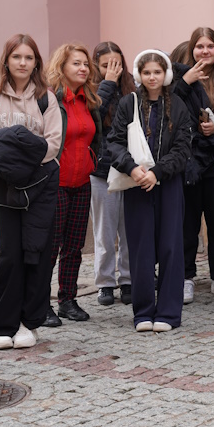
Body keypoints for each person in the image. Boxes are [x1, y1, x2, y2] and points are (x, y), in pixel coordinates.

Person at [0, 34, 63, 350]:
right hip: (5, 187)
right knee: (9, 255)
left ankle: (28, 322)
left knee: (35, 253)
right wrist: (7, 167)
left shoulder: (46, 98)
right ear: (7, 60)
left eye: (28, 57)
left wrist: (18, 158)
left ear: (36, 62)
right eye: (17, 57)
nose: (23, 63)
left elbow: (52, 144)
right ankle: (2, 325)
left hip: (40, 187)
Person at [108, 50, 191, 333]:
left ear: (165, 74)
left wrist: (157, 172)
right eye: (146, 73)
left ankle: (168, 313)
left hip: (168, 185)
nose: (152, 77)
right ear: (138, 75)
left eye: (157, 72)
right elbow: (115, 143)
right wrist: (132, 168)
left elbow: (182, 150)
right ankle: (142, 312)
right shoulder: (126, 104)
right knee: (140, 249)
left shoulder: (178, 105)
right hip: (136, 184)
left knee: (170, 247)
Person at [43, 43, 103, 326]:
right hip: (55, 182)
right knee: (50, 245)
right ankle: (41, 304)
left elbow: (96, 137)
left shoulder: (88, 99)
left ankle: (67, 299)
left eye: (85, 64)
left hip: (82, 182)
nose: (83, 69)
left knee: (74, 245)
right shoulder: (51, 101)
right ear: (61, 67)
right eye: (76, 64)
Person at [173, 27, 214, 304]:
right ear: (191, 50)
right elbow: (170, 106)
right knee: (188, 222)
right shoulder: (178, 78)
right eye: (200, 46)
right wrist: (186, 80)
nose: (205, 51)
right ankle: (186, 277)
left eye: (210, 46)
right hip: (187, 160)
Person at [90, 42, 136, 307]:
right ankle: (105, 283)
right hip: (101, 170)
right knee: (105, 232)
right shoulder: (94, 90)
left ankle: (128, 279)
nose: (113, 70)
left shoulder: (130, 88)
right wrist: (107, 83)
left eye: (117, 64)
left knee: (128, 229)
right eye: (106, 65)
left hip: (128, 169)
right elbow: (93, 114)